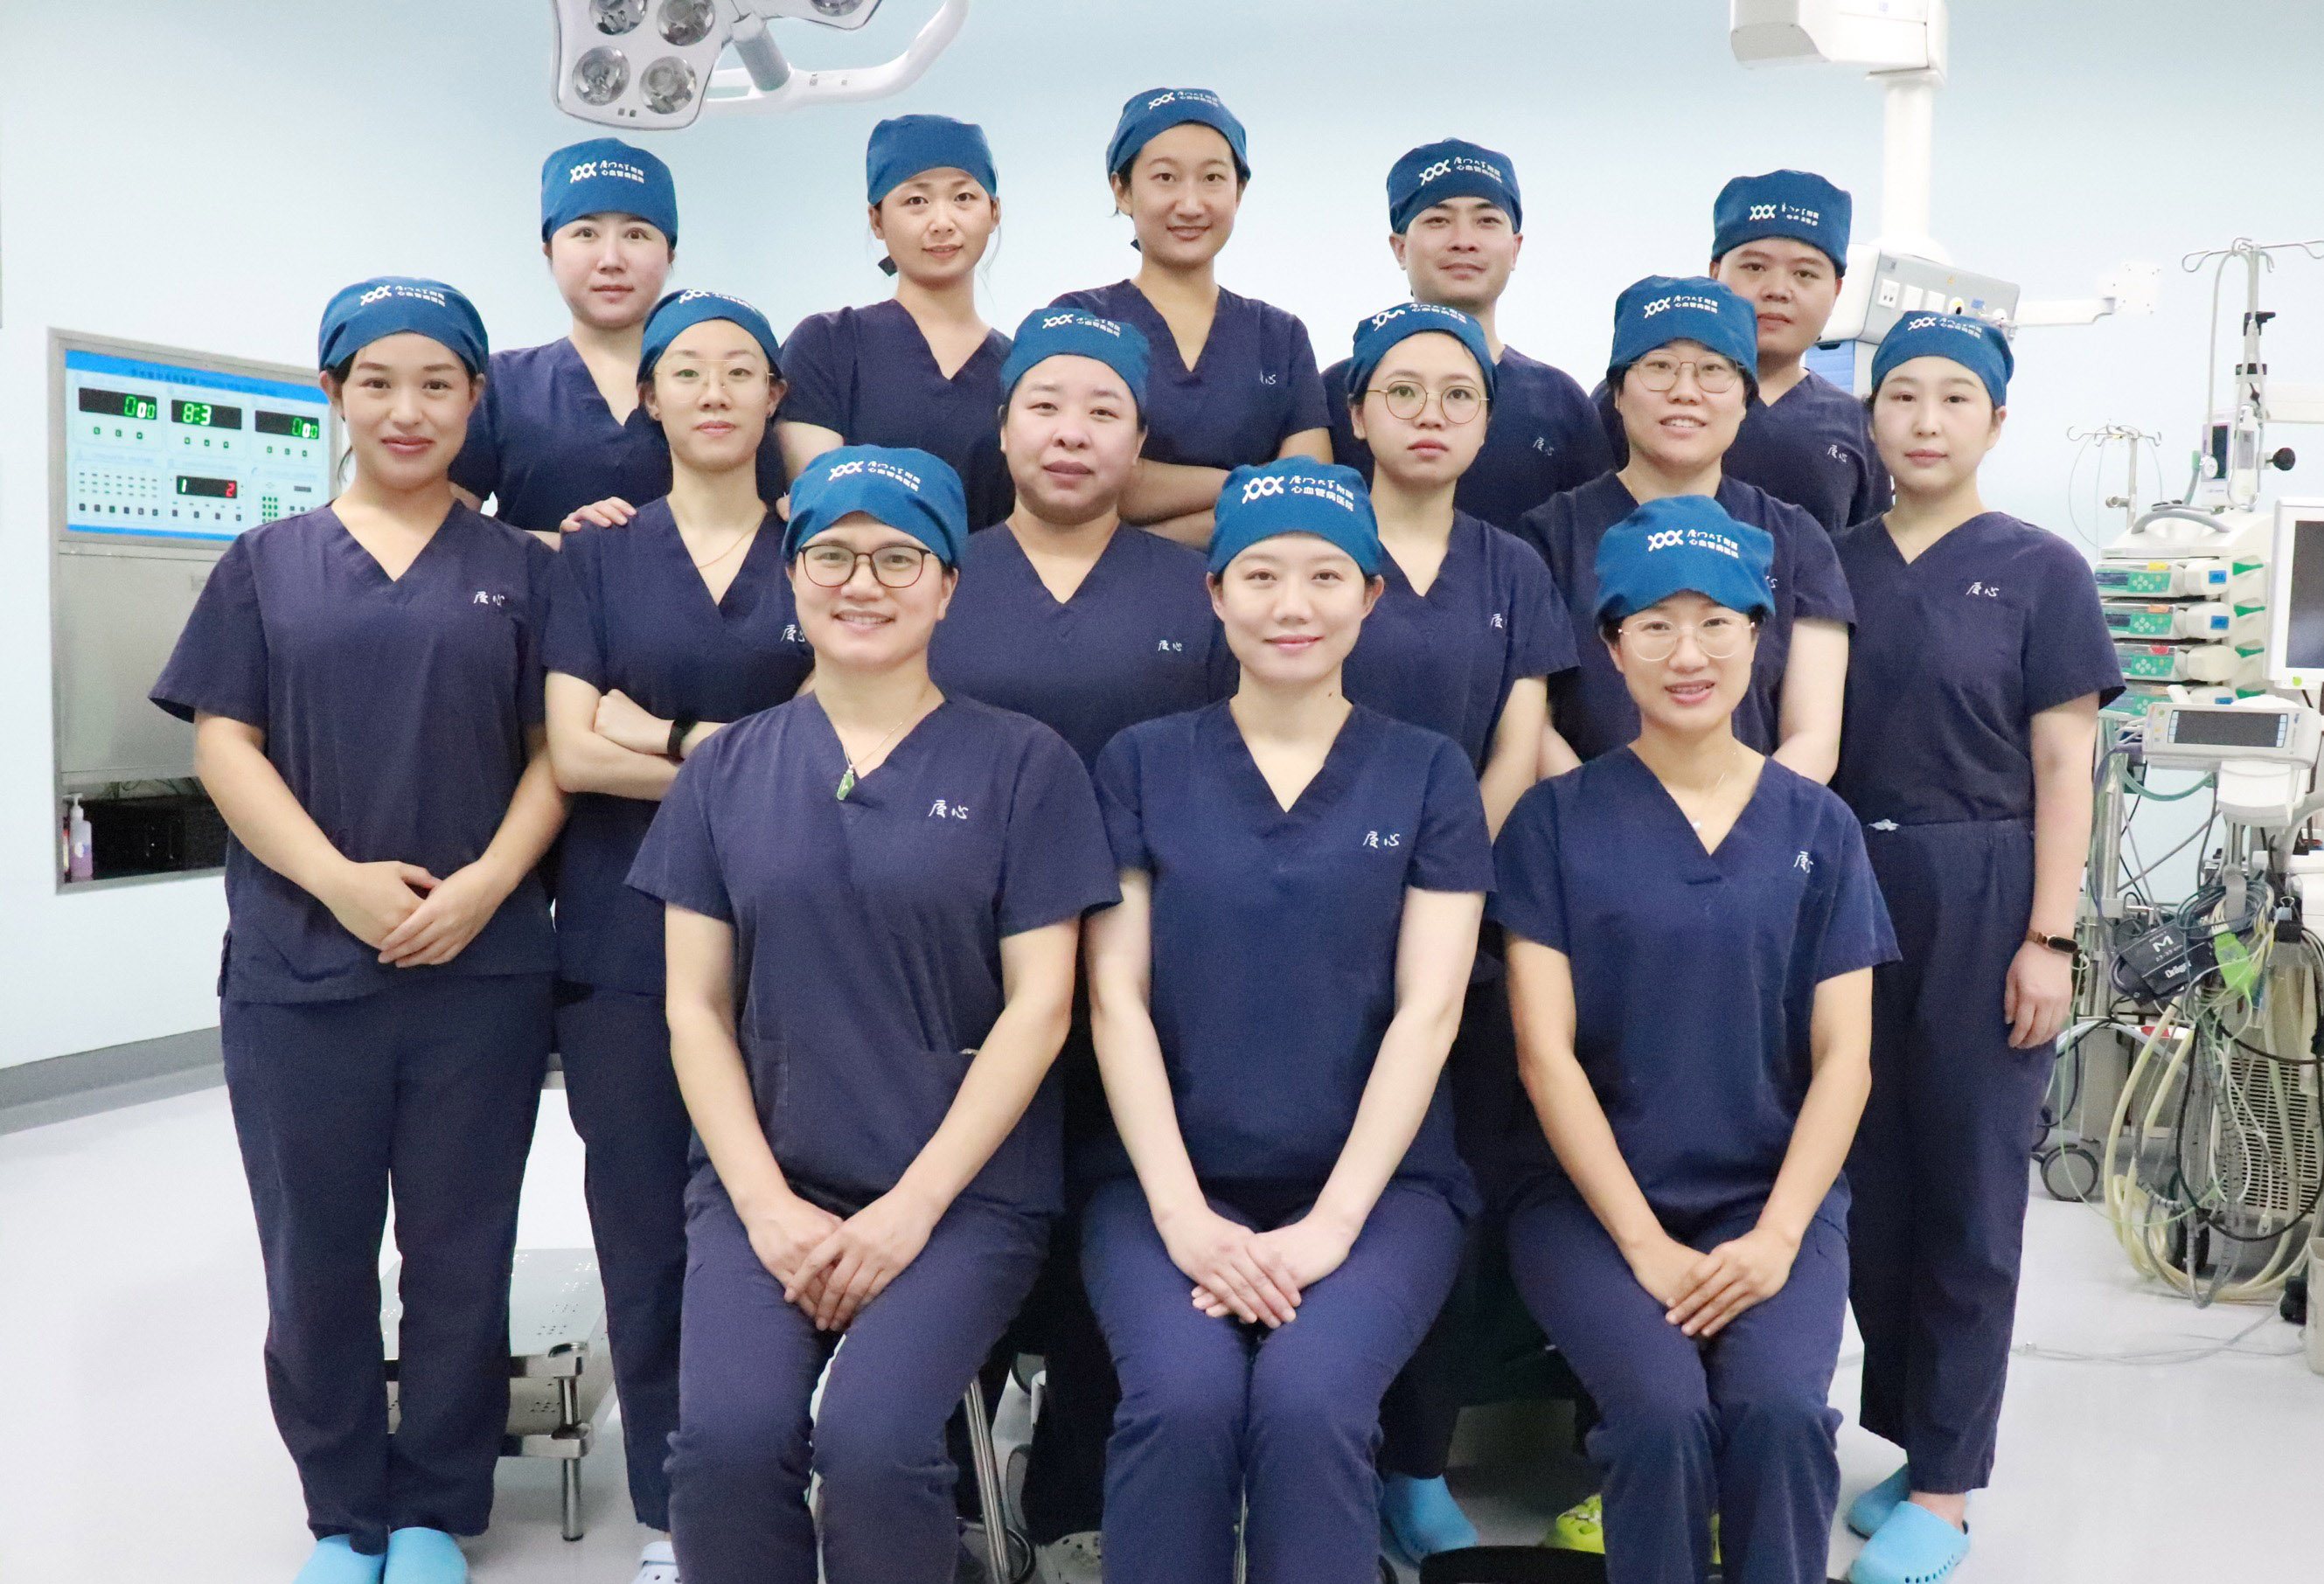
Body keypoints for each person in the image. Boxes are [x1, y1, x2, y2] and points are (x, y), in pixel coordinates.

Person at [626, 445, 1119, 1584]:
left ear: (948, 586)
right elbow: (694, 1007)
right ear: (792, 576)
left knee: (874, 1446)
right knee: (726, 1445)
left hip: (963, 1197)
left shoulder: (1025, 767)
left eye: (899, 558)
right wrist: (765, 1206)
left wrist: (910, 1212)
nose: (863, 583)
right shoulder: (725, 772)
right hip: (768, 1180)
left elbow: (1042, 1008)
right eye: (833, 556)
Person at [152, 279, 564, 1584]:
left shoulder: (524, 572)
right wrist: (336, 881)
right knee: (314, 1255)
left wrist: (488, 883)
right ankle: (342, 1513)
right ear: (333, 393)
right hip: (299, 970)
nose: (407, 409)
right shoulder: (265, 564)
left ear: (474, 399)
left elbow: (556, 750)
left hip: (482, 970)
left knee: (459, 1251)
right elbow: (226, 741)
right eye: (376, 383)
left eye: (437, 383)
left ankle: (436, 1505)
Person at [1081, 457, 1493, 1584]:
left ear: (1371, 594)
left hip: (1383, 1190)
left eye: (1324, 575)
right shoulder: (1142, 764)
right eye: (1260, 575)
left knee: (1312, 1404)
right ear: (1214, 594)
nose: (1291, 605)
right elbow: (1114, 997)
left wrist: (1331, 1226)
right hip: (1163, 1183)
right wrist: (1182, 1216)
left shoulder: (1428, 773)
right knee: (1182, 1401)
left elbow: (1430, 1010)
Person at [1493, 496, 1896, 1584]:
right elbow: (1544, 1056)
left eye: (1718, 623)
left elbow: (1846, 1059)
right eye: (1656, 625)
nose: (1689, 654)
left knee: (1779, 1413)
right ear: (1610, 647)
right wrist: (1642, 1244)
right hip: (1593, 1206)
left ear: (1759, 639)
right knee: (1663, 1416)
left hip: (1772, 1194)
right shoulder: (1553, 824)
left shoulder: (1819, 826)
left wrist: (1777, 1237)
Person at [928, 305, 1235, 1581]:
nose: (1070, 433)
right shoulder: (937, 577)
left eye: (1102, 411)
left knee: (1114, 1249)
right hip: (960, 976)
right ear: (1001, 430)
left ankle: (1071, 1502)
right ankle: (950, 1499)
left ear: (1140, 440)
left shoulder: (1194, 594)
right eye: (1044, 407)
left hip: (1143, 981)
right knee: (967, 1236)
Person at [1831, 316, 2121, 1584]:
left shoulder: (2042, 569)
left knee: (1967, 1191)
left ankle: (1947, 1488)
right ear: (1870, 417)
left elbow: (2065, 761)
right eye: (1902, 394)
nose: (1926, 419)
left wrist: (2049, 936)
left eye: (1956, 396)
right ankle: (1914, 1437)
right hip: (1847, 883)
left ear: (1996, 422)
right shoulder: (1829, 563)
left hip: (1985, 886)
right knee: (1865, 1191)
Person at [540, 289, 813, 1584]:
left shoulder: (826, 544)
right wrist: (739, 758)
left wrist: (660, 732)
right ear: (646, 398)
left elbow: (838, 749)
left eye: (739, 371)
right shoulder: (595, 557)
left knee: (802, 1222)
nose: (714, 392)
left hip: (803, 941)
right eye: (686, 372)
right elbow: (570, 755)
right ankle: (674, 1511)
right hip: (624, 936)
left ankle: (808, 1478)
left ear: (775, 397)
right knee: (646, 1232)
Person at [1332, 299, 1579, 1563]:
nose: (1430, 417)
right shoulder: (1311, 543)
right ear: (1356, 413)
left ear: (1488, 423)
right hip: (1312, 918)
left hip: (1462, 918)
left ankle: (1416, 1461)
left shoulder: (1511, 568)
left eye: (1458, 397)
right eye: (1403, 392)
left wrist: (1438, 881)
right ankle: (1314, 1446)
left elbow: (1518, 740)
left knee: (1443, 1196)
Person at [1519, 275, 1852, 780]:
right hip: (1586, 820)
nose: (1685, 393)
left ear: (1745, 398)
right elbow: (1531, 726)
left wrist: (1739, 818)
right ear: (1617, 393)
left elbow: (1813, 737)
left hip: (1758, 823)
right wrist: (1595, 814)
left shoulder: (1796, 540)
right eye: (1659, 367)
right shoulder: (1549, 538)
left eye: (1714, 370)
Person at [450, 138, 783, 541]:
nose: (611, 260)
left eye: (636, 235)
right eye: (586, 233)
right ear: (549, 250)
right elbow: (443, 534)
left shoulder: (735, 384)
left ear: (670, 252)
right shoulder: (502, 386)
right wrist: (568, 550)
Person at [1054, 88, 1332, 548]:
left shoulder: (1279, 337)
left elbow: (1308, 495)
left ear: (1239, 192)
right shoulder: (1080, 321)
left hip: (1255, 590)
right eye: (1165, 178)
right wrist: (1255, 486)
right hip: (1110, 588)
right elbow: (1094, 478)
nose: (1190, 204)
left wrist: (1149, 540)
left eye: (1212, 178)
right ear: (1122, 190)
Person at [1324, 140, 1612, 531]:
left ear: (1515, 248)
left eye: (1487, 220)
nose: (1464, 240)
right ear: (1400, 248)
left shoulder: (1562, 403)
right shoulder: (1339, 391)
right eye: (1438, 220)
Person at [1592, 170, 1888, 535]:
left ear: (1837, 290)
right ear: (1715, 273)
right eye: (1755, 267)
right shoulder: (1637, 397)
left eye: (1805, 274)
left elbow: (1865, 555)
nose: (1777, 290)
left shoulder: (1860, 427)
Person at [778, 115, 1015, 528]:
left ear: (994, 212)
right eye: (916, 201)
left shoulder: (1022, 369)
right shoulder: (827, 346)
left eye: (963, 197)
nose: (943, 222)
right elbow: (824, 506)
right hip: (862, 568)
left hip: (993, 570)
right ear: (877, 220)